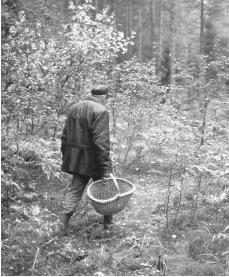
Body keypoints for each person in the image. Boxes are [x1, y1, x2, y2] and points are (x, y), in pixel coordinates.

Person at [60, 85, 113, 235]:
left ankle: (62, 227)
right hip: (94, 161)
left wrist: (67, 156)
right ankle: (109, 225)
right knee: (105, 189)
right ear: (103, 97)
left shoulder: (74, 108)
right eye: (107, 98)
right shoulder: (101, 111)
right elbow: (101, 143)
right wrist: (106, 168)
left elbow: (64, 136)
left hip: (77, 160)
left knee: (74, 190)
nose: (106, 101)